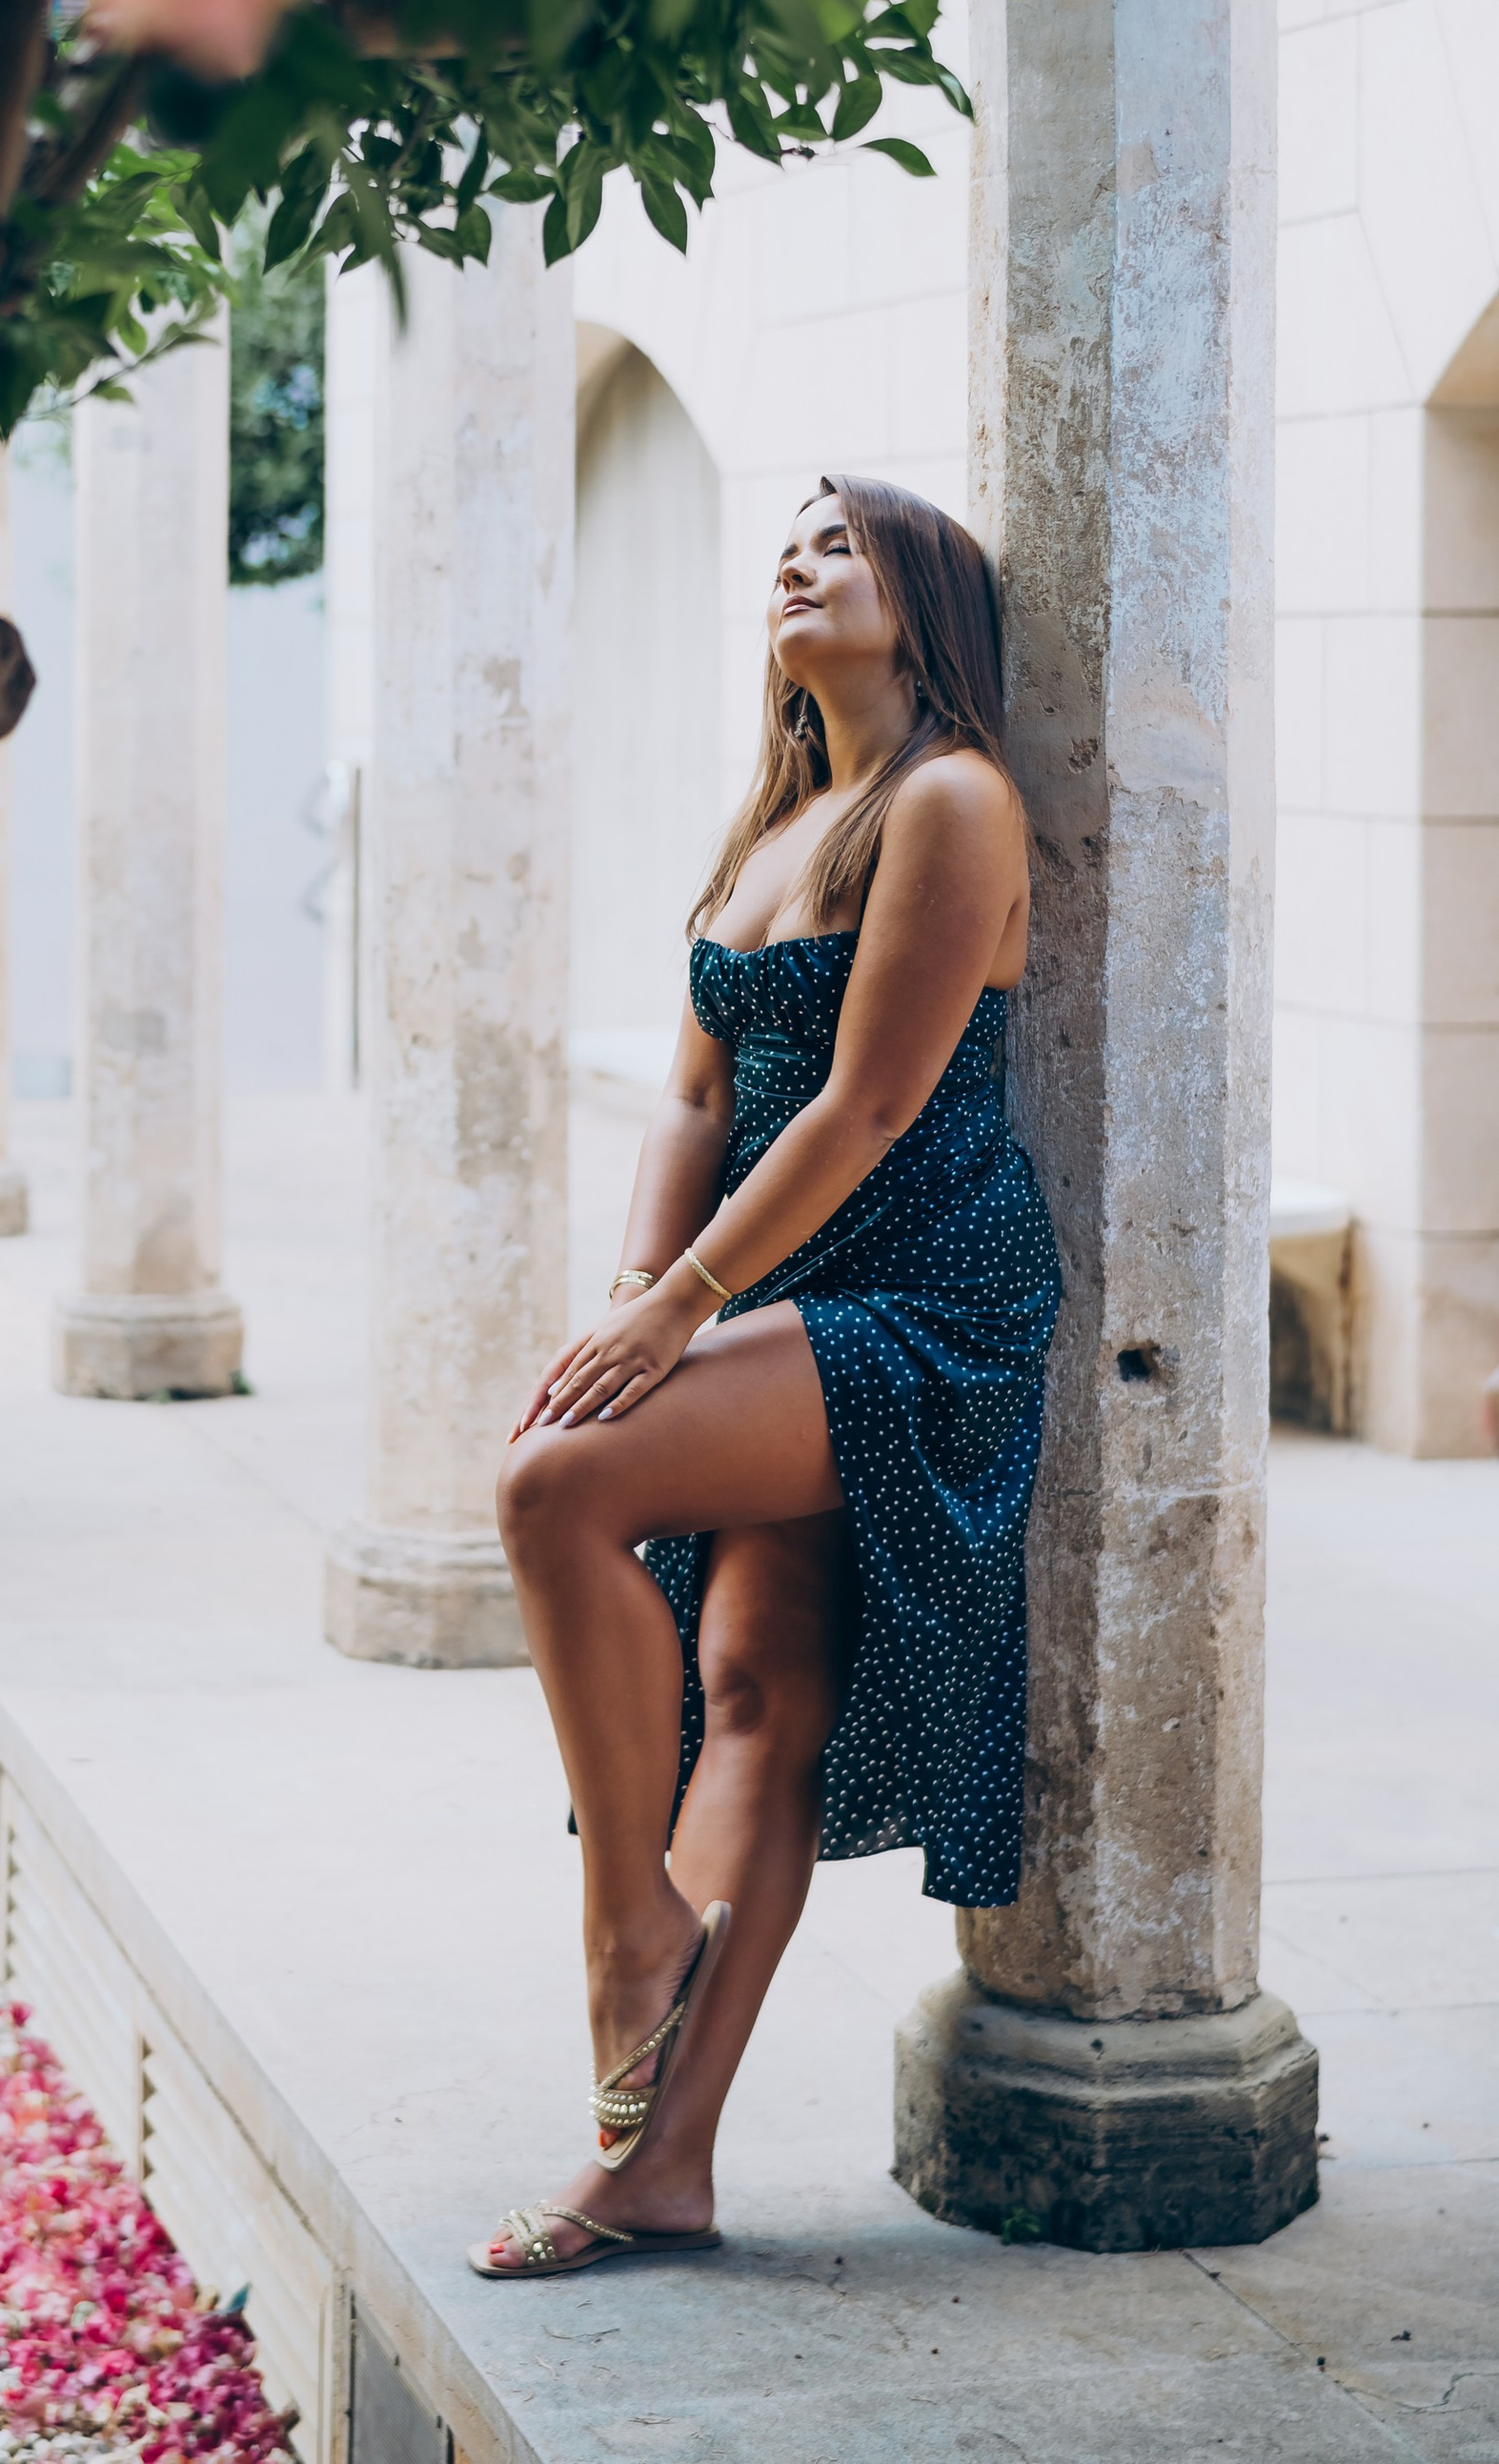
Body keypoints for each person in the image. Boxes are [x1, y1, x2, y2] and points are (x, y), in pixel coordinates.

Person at [472, 475, 1060, 2279]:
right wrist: (642, 1288)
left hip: (922, 1288)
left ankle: (625, 1917)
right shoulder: (773, 821)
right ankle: (662, 2164)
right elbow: (699, 1096)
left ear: (925, 599)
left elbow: (871, 1103)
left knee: (552, 1488)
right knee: (747, 1683)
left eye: (842, 542)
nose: (798, 564)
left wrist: (676, 1318)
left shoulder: (946, 801)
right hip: (758, 1287)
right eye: (786, 544)